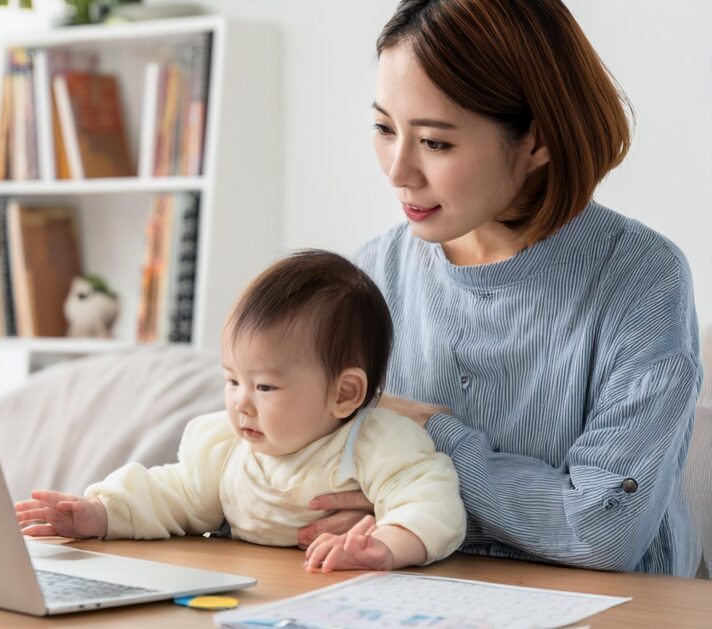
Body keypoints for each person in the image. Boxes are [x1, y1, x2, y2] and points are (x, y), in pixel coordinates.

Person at [300, 0, 703, 577]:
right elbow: (316, 481)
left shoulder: (641, 276)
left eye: (435, 143)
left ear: (537, 141)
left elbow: (603, 531)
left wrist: (429, 442)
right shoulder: (370, 276)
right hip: (411, 599)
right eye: (385, 129)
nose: (397, 171)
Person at [17, 250, 466, 572]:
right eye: (232, 380)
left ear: (345, 393)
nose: (240, 403)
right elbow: (174, 495)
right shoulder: (226, 448)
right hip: (249, 582)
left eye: (265, 386)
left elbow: (430, 502)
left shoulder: (373, 442)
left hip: (336, 593)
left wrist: (382, 547)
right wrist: (98, 513)